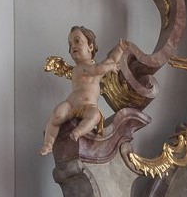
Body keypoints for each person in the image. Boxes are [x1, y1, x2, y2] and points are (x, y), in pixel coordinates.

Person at [40, 26, 127, 155]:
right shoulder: (79, 68)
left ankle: (78, 132)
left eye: (77, 41)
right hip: (71, 105)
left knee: (95, 116)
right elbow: (97, 69)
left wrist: (120, 48)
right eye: (70, 45)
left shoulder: (99, 68)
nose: (72, 47)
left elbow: (112, 59)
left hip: (88, 107)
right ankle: (48, 143)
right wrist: (111, 66)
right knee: (57, 114)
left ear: (90, 47)